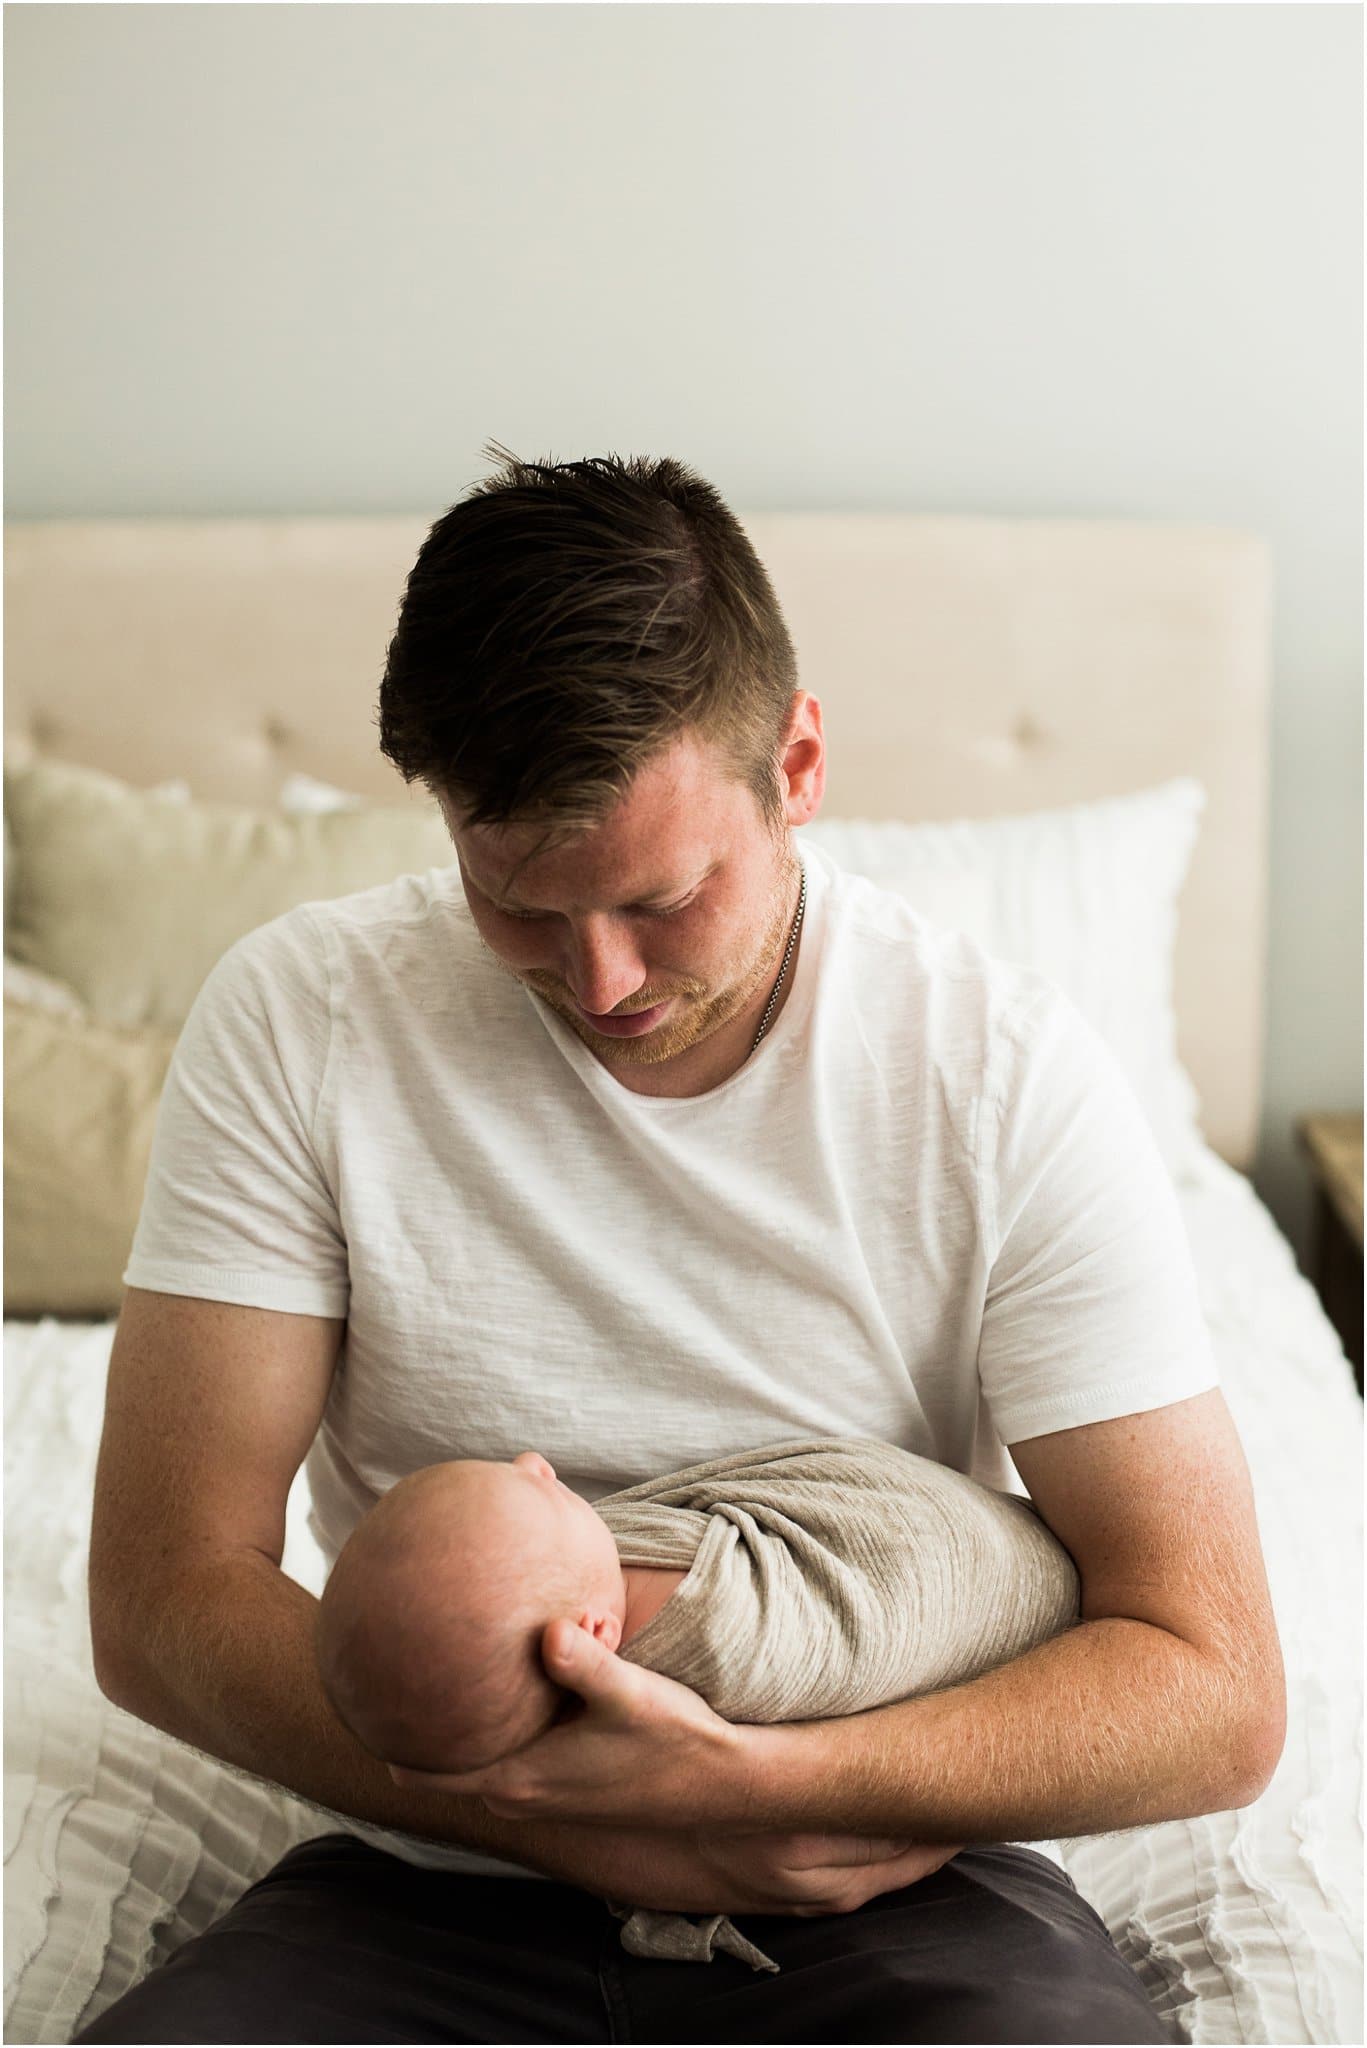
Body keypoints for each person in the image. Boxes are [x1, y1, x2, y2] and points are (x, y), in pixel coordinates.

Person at [82, 444, 1285, 2045]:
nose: (597, 987)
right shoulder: (304, 1019)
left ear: (794, 764)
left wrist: (775, 1790)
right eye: (516, 905)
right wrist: (558, 1812)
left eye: (662, 897)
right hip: (430, 1853)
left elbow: (1209, 1684)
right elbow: (165, 1590)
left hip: (875, 1865)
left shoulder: (998, 1076)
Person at [315, 1437, 1084, 1977]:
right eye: (539, 1494)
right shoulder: (717, 1625)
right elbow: (822, 1638)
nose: (535, 1464)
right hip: (998, 1588)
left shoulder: (559, 1614)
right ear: (590, 1637)